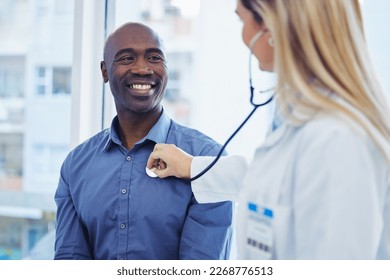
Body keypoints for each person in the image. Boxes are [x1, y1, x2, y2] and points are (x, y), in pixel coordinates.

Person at [147, 0, 390, 259]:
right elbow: (281, 180)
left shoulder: (339, 139)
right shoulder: (304, 119)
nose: (243, 37)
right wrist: (192, 167)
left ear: (273, 26)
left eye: (242, 20)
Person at [54, 22, 233, 260]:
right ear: (105, 71)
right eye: (127, 58)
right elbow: (69, 261)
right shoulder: (75, 165)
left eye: (154, 58)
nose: (142, 69)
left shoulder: (208, 161)